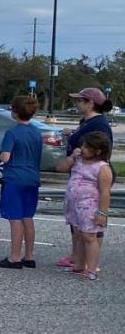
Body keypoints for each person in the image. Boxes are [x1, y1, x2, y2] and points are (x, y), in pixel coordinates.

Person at [54, 87, 115, 269]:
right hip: (79, 176)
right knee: (77, 221)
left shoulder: (99, 124)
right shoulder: (86, 122)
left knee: (91, 223)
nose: (77, 103)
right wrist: (71, 135)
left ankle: (91, 262)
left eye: (80, 100)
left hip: (91, 177)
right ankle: (77, 258)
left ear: (91, 103)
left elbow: (103, 148)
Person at [0, 95, 43, 269]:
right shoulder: (37, 133)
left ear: (15, 111)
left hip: (14, 178)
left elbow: (5, 158)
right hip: (32, 178)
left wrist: (1, 153)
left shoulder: (12, 133)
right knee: (27, 217)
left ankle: (15, 256)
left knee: (15, 218)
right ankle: (29, 255)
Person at [56, 131, 112, 281]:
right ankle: (79, 265)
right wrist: (72, 157)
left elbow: (105, 192)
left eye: (87, 147)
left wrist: (102, 213)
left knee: (89, 236)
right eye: (83, 145)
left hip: (90, 207)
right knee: (78, 234)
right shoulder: (78, 160)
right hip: (74, 205)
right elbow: (60, 167)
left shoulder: (102, 167)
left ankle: (92, 269)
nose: (82, 148)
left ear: (98, 151)